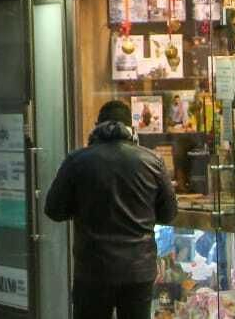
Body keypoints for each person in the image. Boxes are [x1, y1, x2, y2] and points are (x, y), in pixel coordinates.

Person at [44, 99, 178, 319]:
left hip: (92, 270)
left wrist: (80, 206)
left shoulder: (77, 161)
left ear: (97, 127)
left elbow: (54, 210)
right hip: (138, 270)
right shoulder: (152, 161)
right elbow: (169, 213)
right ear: (131, 130)